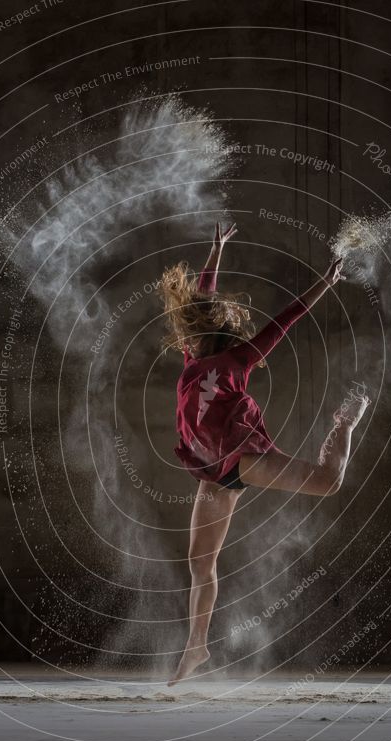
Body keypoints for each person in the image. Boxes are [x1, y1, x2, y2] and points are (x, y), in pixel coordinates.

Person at [158, 223, 370, 685]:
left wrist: (324, 283)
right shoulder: (193, 358)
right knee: (200, 562)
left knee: (327, 482)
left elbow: (285, 319)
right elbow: (203, 293)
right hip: (212, 471)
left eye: (199, 323)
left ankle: (346, 423)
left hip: (239, 455)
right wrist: (215, 248)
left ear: (215, 329)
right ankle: (197, 648)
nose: (191, 330)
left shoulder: (241, 358)